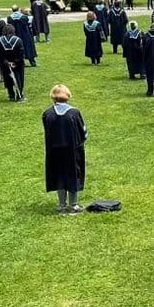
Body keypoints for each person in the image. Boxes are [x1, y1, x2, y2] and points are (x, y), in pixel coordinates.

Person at [41, 84, 87, 215]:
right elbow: (83, 132)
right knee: (73, 174)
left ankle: (61, 205)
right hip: (72, 151)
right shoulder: (74, 113)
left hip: (54, 151)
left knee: (59, 175)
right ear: (67, 97)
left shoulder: (47, 114)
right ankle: (74, 205)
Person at [0, 24, 27, 102]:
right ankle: (20, 95)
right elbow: (21, 53)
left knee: (8, 79)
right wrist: (15, 62)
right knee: (18, 78)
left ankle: (11, 95)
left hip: (5, 64)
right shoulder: (18, 40)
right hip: (17, 64)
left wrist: (6, 62)